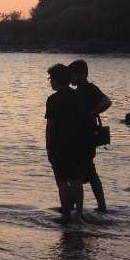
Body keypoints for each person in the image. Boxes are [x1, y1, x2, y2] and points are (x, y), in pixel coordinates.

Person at [46, 64, 88, 222]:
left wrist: (48, 147)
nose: (50, 82)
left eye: (51, 79)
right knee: (77, 181)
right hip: (79, 144)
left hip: (60, 146)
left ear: (57, 80)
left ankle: (65, 213)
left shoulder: (53, 99)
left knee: (62, 181)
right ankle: (79, 214)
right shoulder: (78, 96)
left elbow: (51, 126)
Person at [69, 59, 110, 213]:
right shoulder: (81, 89)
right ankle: (101, 207)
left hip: (85, 137)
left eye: (72, 74)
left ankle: (74, 208)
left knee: (78, 173)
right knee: (90, 172)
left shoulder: (88, 88)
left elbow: (107, 101)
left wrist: (92, 113)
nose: (70, 78)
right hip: (84, 136)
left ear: (81, 74)